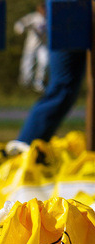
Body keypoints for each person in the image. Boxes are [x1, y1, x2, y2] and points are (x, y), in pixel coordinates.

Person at [16, 2, 86, 145]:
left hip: (68, 11)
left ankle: (27, 145)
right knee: (63, 87)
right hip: (68, 11)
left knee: (63, 87)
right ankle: (25, 148)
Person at [15, 3, 48, 92]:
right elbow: (19, 24)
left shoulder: (49, 18)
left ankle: (38, 83)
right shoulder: (33, 17)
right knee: (27, 63)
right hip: (31, 45)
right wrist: (22, 29)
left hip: (43, 45)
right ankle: (25, 82)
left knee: (44, 62)